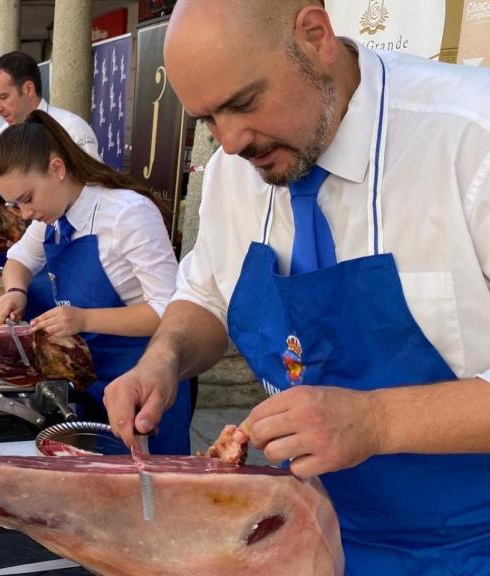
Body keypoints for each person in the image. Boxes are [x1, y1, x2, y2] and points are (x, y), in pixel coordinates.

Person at [104, 1, 490, 573]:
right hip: (304, 530)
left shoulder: (470, 135)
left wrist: (375, 422)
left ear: (315, 36)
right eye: (208, 120)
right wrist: (162, 360)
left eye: (243, 103)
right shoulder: (233, 169)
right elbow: (207, 294)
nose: (230, 142)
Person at [0, 111, 189, 451]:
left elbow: (170, 311)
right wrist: (15, 291)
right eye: (15, 205)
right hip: (88, 386)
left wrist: (84, 319)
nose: (25, 214)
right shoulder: (52, 216)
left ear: (57, 169)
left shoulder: (127, 214)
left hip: (142, 385)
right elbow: (19, 259)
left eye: (27, 199)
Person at [0, 52, 101, 207]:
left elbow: (91, 192)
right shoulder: (4, 134)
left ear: (28, 89)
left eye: (2, 97)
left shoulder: (72, 129)